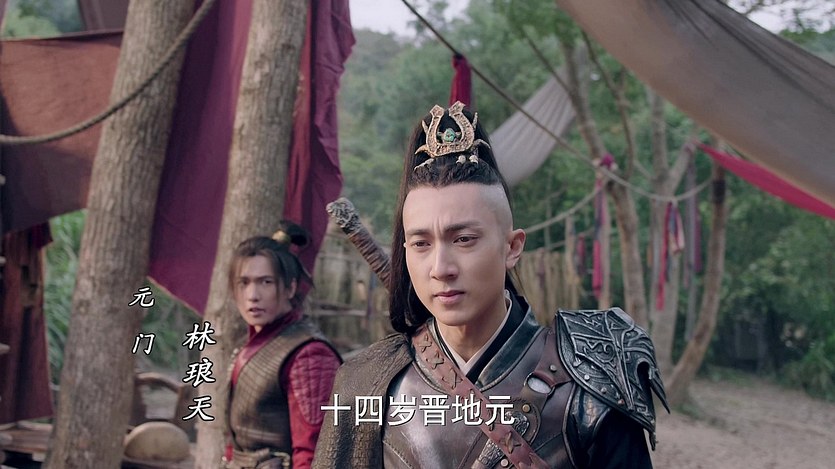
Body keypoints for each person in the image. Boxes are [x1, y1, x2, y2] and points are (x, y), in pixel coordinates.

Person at [312, 102, 668, 469]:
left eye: (464, 239)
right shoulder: (365, 382)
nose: (441, 268)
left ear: (512, 247)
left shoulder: (590, 383)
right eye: (421, 243)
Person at [224, 222, 341, 469]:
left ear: (290, 287)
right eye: (244, 283)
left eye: (265, 282)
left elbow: (314, 454)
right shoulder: (253, 344)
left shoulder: (309, 355)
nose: (252, 295)